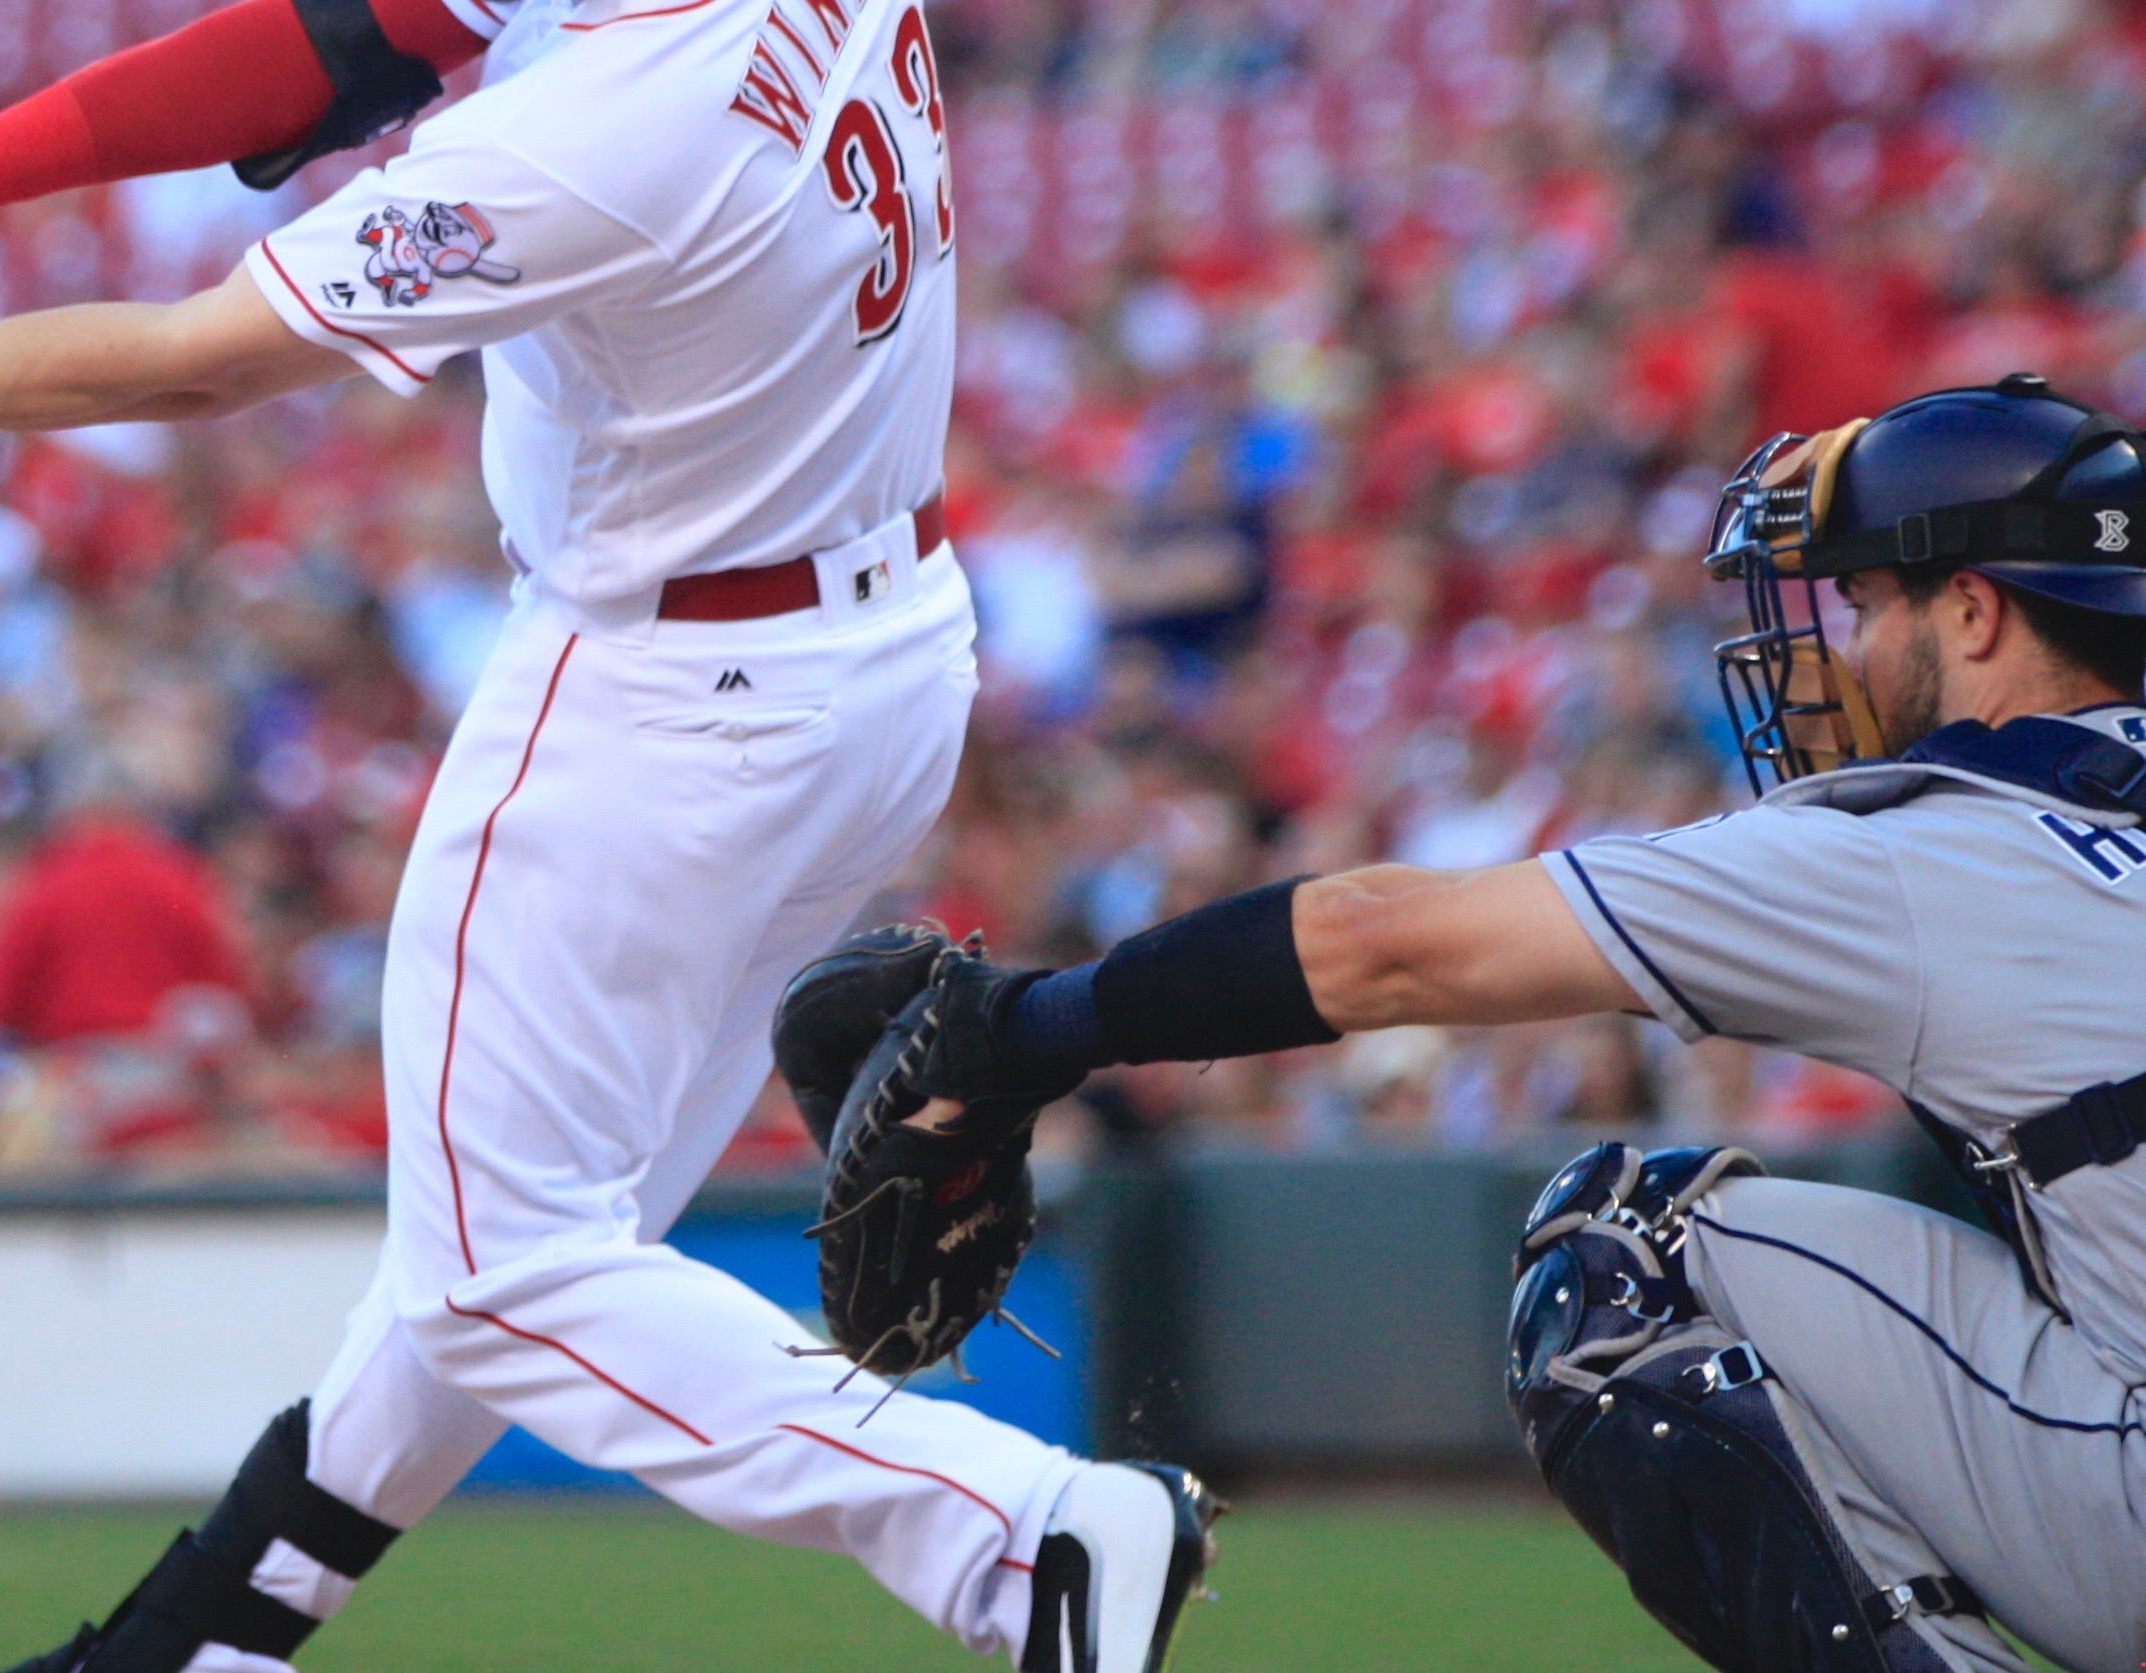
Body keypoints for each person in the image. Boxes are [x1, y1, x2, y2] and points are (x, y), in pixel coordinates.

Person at [0, 0, 1209, 1673]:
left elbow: (192, 360)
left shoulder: (601, 133)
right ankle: (212, 1633)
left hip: (658, 691)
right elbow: (349, 27)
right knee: (520, 1241)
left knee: (494, 1272)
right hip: (870, 653)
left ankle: (1019, 1525)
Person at [859, 375, 2146, 1673]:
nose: (1843, 648)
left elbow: (1386, 946)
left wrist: (1025, 1027)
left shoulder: (1933, 845)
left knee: (1630, 1244)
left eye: (1865, 603)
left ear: (1974, 610)